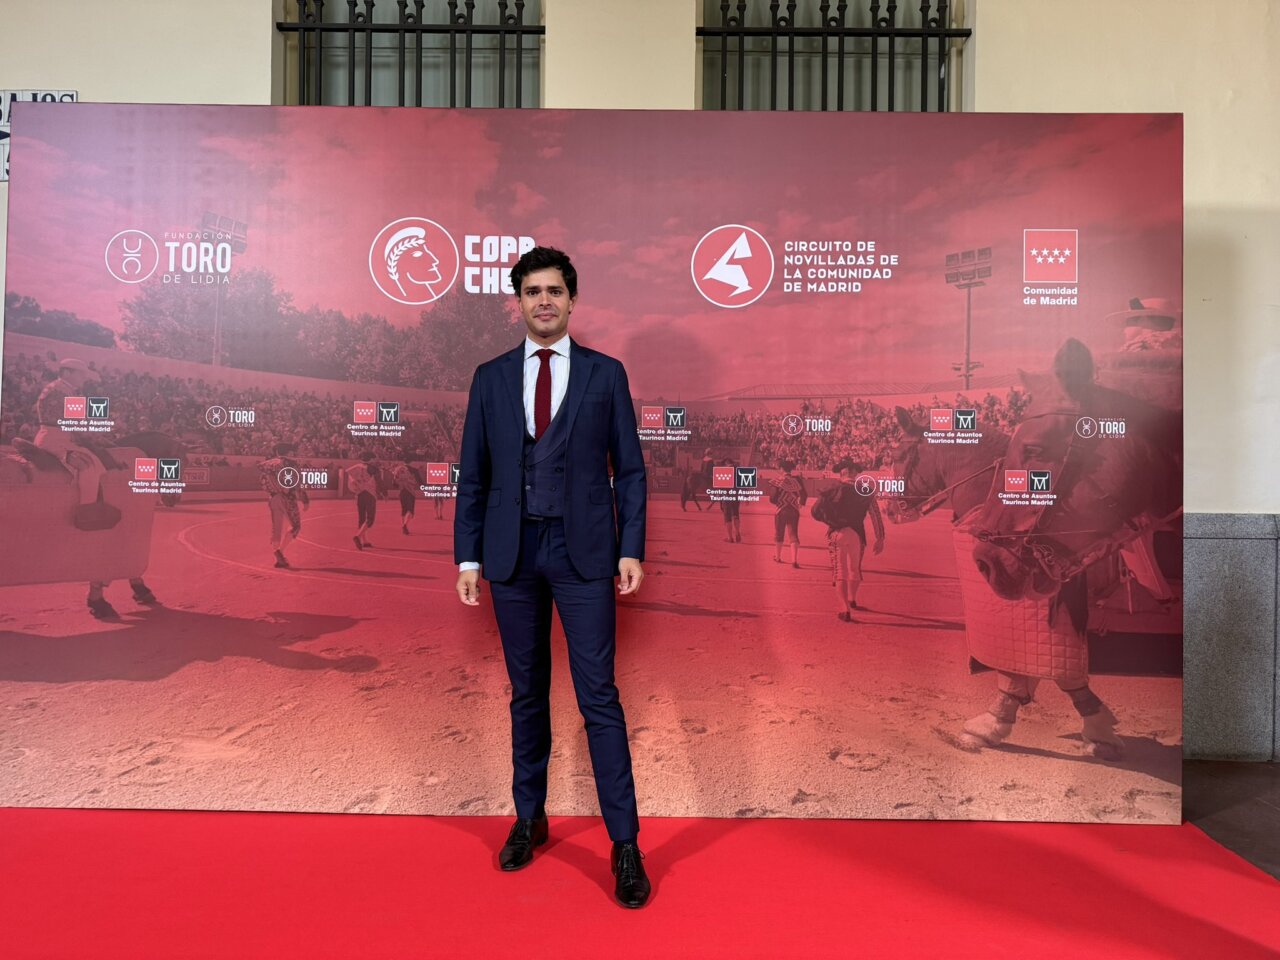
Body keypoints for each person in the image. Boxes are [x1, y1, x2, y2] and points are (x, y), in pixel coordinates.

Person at [454, 246, 650, 909]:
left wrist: (630, 547)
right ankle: (529, 817)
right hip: (511, 555)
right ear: (519, 301)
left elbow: (632, 470)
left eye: (555, 291)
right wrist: (468, 558)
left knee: (599, 697)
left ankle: (625, 845)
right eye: (533, 291)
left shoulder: (606, 374)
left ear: (572, 300)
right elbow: (474, 475)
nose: (544, 300)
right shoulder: (489, 378)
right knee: (527, 694)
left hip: (585, 554)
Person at [33, 358, 110, 529]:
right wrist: (95, 436)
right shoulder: (62, 391)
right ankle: (87, 515)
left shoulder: (58, 388)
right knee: (89, 465)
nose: (84, 378)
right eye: (80, 374)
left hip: (54, 436)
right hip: (55, 439)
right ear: (67, 372)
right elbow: (76, 424)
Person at [812, 458, 885, 622]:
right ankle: (852, 598)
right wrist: (880, 538)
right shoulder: (866, 490)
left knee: (840, 571)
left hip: (837, 533)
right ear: (855, 473)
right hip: (857, 534)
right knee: (854, 569)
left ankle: (844, 608)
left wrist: (830, 521)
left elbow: (815, 512)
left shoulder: (832, 488)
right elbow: (876, 516)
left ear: (842, 472)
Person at [258, 443, 310, 569]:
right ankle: (280, 551)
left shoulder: (266, 464)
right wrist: (305, 500)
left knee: (276, 526)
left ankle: (277, 551)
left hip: (273, 498)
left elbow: (262, 481)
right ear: (289, 452)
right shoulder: (291, 463)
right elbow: (297, 483)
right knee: (295, 526)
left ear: (277, 452)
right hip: (288, 498)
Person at [769, 458, 807, 567]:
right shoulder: (797, 480)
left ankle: (778, 557)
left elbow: (772, 498)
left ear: (781, 469)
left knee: (779, 533)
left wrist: (779, 502)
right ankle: (794, 560)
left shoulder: (777, 480)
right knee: (793, 534)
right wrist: (800, 503)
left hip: (781, 510)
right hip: (794, 510)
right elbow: (804, 494)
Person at [347, 452, 381, 549]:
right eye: (373, 458)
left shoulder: (355, 468)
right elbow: (379, 481)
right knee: (370, 518)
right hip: (370, 494)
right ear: (371, 459)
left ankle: (364, 541)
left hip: (359, 494)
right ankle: (357, 536)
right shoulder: (372, 468)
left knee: (362, 517)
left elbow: (351, 482)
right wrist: (384, 493)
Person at [391, 459, 423, 534]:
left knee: (404, 510)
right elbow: (419, 481)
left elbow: (394, 483)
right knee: (410, 510)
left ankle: (404, 526)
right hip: (410, 492)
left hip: (402, 491)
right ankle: (405, 525)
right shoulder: (413, 470)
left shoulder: (397, 469)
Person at [718, 456, 742, 543]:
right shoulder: (738, 470)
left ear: (725, 463)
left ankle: (730, 537)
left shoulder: (724, 471)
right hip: (736, 495)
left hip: (726, 496)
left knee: (727, 516)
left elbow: (721, 488)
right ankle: (737, 532)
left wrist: (720, 499)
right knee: (735, 514)